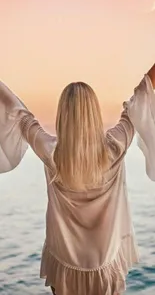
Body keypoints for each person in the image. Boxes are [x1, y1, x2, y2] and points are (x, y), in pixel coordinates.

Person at [0, 64, 155, 295]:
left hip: (65, 263)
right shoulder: (115, 147)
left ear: (62, 115)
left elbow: (20, 115)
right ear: (95, 114)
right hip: (105, 263)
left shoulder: (51, 152)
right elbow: (140, 97)